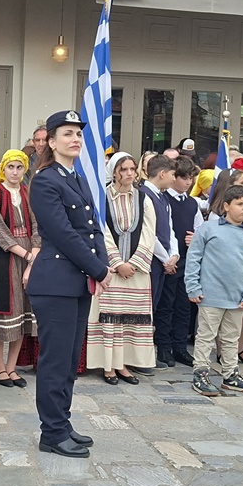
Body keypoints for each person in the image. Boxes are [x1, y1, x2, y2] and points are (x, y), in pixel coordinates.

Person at [26, 110, 109, 459]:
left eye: (78, 134)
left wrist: (102, 263)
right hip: (55, 283)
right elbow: (63, 234)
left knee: (70, 359)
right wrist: (99, 270)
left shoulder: (77, 178)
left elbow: (92, 228)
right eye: (67, 134)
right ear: (51, 141)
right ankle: (52, 433)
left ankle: (62, 422)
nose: (75, 139)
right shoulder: (45, 180)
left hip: (75, 282)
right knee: (55, 362)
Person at [185, 185, 243, 396]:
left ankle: (230, 374)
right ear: (226, 206)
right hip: (210, 295)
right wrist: (193, 286)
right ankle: (200, 373)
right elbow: (194, 259)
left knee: (231, 337)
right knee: (205, 336)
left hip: (237, 299)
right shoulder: (208, 229)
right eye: (240, 204)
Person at [86, 152, 155, 385]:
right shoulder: (102, 198)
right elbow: (100, 231)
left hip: (137, 271)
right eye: (123, 169)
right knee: (110, 319)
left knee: (130, 321)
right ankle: (108, 366)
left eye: (132, 169)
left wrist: (133, 263)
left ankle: (124, 364)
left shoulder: (144, 198)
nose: (129, 174)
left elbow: (149, 232)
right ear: (114, 172)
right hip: (110, 271)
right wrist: (117, 263)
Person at [0, 150, 39, 388]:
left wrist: (33, 257)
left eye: (19, 167)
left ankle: (12, 367)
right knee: (3, 312)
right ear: (3, 168)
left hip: (30, 252)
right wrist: (26, 255)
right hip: (5, 256)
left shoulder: (28, 193)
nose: (15, 172)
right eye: (11, 167)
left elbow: (37, 225)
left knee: (23, 310)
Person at [156, 157, 201, 368]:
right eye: (184, 178)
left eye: (191, 179)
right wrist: (168, 257)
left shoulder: (192, 203)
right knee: (166, 305)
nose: (188, 182)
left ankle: (180, 347)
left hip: (187, 260)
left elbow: (200, 229)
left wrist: (196, 239)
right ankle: (164, 346)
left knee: (184, 305)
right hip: (168, 260)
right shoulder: (164, 200)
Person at [139, 154, 178, 372]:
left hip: (163, 261)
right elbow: (149, 234)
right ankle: (140, 357)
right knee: (146, 308)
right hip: (151, 260)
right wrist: (165, 258)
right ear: (162, 173)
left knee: (154, 307)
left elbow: (169, 229)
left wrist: (174, 254)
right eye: (172, 174)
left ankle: (147, 355)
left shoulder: (163, 198)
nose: (174, 179)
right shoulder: (144, 195)